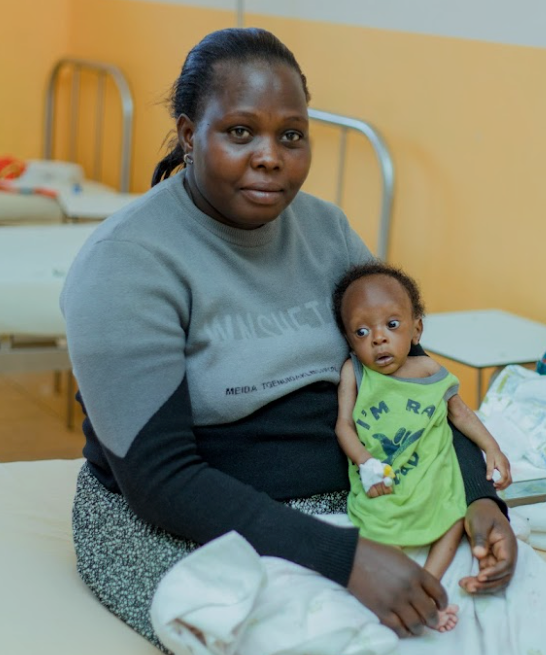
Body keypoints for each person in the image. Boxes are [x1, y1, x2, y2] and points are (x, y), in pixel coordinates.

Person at [60, 26, 517, 649]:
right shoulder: (127, 264)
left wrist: (478, 499)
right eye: (240, 132)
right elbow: (160, 479)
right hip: (181, 521)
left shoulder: (327, 231)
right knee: (343, 639)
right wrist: (344, 559)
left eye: (291, 135)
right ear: (191, 136)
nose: (270, 156)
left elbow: (416, 381)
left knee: (512, 608)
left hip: (354, 494)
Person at [332, 261, 512, 632]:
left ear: (416, 330)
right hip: (385, 479)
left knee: (452, 521)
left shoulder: (430, 371)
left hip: (431, 475)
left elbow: (460, 414)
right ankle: (399, 595)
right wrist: (365, 462)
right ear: (350, 341)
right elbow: (344, 425)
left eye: (391, 325)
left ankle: (429, 588)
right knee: (378, 529)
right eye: (362, 331)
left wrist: (492, 448)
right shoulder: (355, 373)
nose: (378, 338)